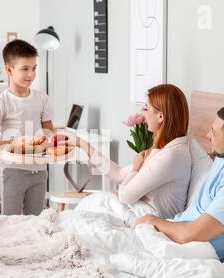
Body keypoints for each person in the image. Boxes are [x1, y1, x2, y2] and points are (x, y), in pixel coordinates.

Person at [136, 104, 224, 261]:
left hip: (195, 251)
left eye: (213, 132)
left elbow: (191, 234)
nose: (207, 135)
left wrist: (152, 220)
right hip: (177, 230)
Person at [64, 84, 191, 219]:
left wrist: (136, 168)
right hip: (140, 212)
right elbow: (119, 174)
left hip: (150, 220)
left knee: (92, 206)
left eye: (147, 109)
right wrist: (82, 144)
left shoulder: (172, 156)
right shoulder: (163, 150)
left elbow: (125, 196)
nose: (143, 114)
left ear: (160, 116)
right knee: (91, 204)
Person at [0, 39, 55, 215]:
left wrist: (51, 141)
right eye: (25, 69)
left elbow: (49, 131)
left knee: (34, 220)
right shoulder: (1, 101)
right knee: (9, 221)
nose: (31, 74)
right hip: (13, 170)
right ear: (9, 70)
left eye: (34, 68)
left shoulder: (42, 99)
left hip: (39, 169)